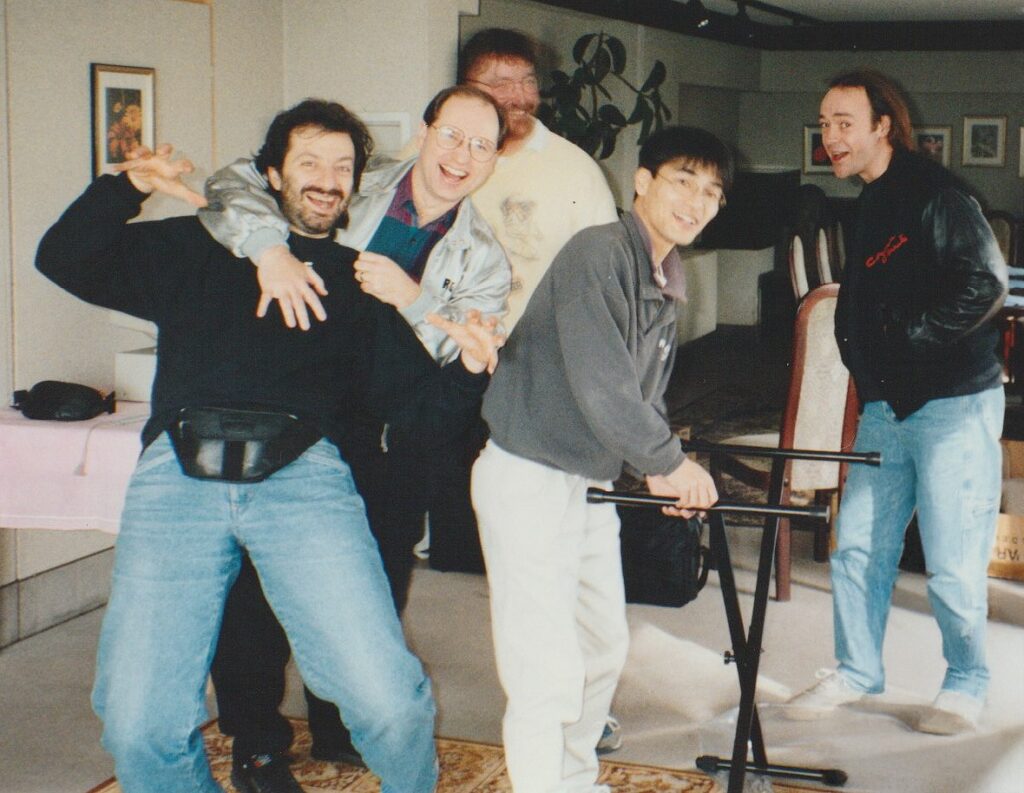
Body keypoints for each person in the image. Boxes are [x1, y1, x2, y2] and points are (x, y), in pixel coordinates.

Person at [35, 99, 502, 793]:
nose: (327, 180)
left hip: (304, 474)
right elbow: (62, 258)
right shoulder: (194, 247)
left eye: (342, 168)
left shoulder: (354, 281)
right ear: (273, 174)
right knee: (136, 722)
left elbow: (421, 411)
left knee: (387, 700)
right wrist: (126, 187)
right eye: (309, 162)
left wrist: (469, 367)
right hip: (179, 472)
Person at [197, 85, 510, 783]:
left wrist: (414, 300)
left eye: (481, 145)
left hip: (390, 439)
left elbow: (459, 358)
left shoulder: (485, 258)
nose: (461, 156)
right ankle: (256, 739)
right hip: (298, 411)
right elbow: (231, 185)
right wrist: (269, 249)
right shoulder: (347, 176)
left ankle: (340, 724)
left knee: (373, 586)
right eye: (451, 135)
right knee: (256, 589)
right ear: (425, 132)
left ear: (496, 159)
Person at [471, 125, 732, 792]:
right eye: (683, 181)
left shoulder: (663, 276)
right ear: (642, 181)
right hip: (529, 473)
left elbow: (643, 395)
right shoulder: (599, 253)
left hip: (586, 479)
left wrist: (655, 466)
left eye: (711, 192)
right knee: (545, 665)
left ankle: (575, 780)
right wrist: (666, 461)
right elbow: (603, 382)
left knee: (602, 646)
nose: (696, 201)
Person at [786, 69, 1007, 736]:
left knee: (952, 562)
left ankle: (966, 680)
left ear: (884, 125)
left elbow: (985, 283)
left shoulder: (937, 193)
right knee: (856, 547)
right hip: (886, 407)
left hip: (953, 405)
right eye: (825, 124)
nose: (830, 137)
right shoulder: (871, 198)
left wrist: (909, 340)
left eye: (844, 122)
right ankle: (857, 670)